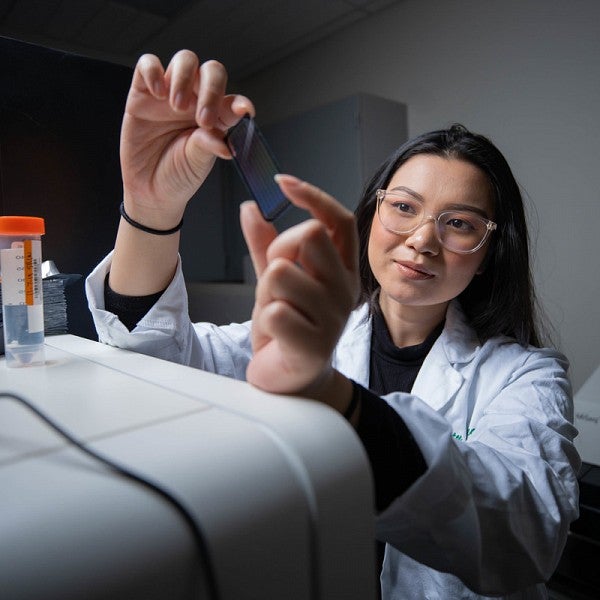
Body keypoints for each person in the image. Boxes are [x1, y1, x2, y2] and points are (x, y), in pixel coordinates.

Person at [85, 50, 580, 599]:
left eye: (459, 223)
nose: (422, 239)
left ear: (486, 254)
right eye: (405, 207)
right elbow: (154, 367)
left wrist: (327, 393)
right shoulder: (305, 333)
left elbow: (526, 536)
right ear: (372, 216)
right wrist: (150, 209)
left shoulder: (526, 375)